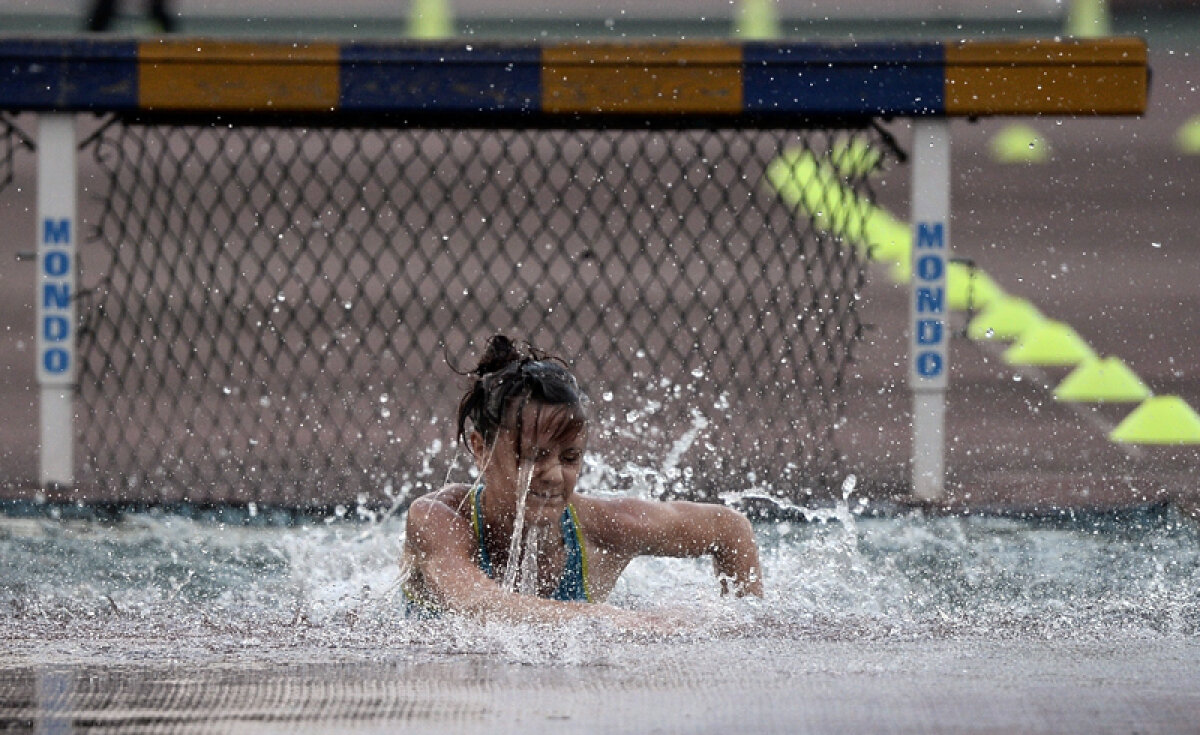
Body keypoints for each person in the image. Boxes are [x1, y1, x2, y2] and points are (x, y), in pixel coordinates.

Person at [401, 335, 762, 625]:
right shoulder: (437, 518)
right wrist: (616, 620)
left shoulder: (605, 527)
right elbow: (474, 602)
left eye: (570, 458)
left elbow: (729, 530)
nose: (555, 475)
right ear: (481, 449)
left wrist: (745, 626)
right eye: (533, 456)